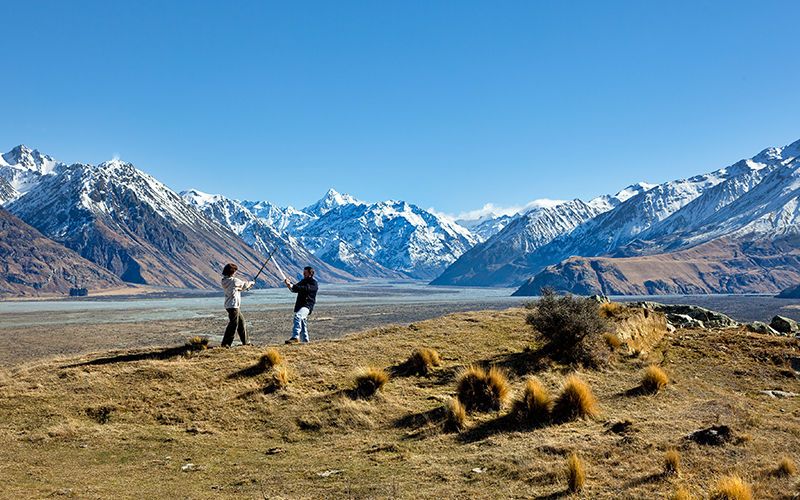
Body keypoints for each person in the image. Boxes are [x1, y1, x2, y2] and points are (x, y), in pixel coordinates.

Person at [221, 263, 254, 348]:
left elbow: (239, 288)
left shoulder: (225, 281)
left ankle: (246, 342)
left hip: (229, 305)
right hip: (233, 306)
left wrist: (246, 286)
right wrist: (251, 283)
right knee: (233, 325)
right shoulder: (234, 281)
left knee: (241, 322)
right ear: (232, 272)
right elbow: (244, 284)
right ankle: (226, 344)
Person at [284, 266, 318, 343]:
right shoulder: (303, 282)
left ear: (311, 273)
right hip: (300, 306)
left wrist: (293, 286)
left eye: (305, 273)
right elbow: (295, 289)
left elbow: (306, 288)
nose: (303, 275)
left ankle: (295, 337)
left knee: (297, 317)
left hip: (307, 306)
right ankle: (306, 343)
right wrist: (289, 285)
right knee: (303, 326)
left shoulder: (313, 283)